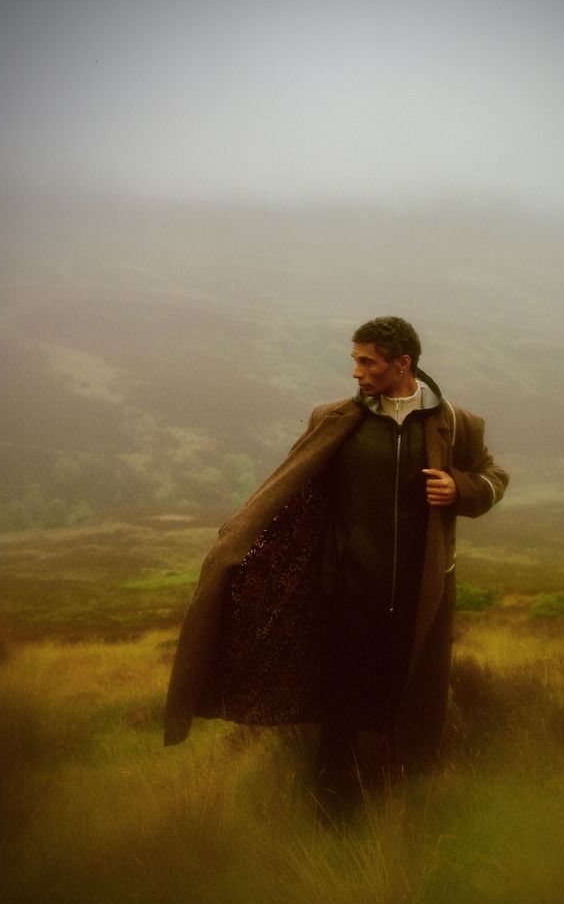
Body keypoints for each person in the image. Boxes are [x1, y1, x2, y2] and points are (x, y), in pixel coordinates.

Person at [163, 316, 508, 803]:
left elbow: (492, 475)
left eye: (367, 361)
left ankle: (401, 803)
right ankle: (332, 809)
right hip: (347, 594)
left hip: (418, 595)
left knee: (408, 704)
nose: (357, 372)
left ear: (402, 363)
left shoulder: (455, 424)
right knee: (341, 712)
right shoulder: (335, 418)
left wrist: (462, 487)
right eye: (356, 361)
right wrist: (240, 549)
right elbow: (293, 487)